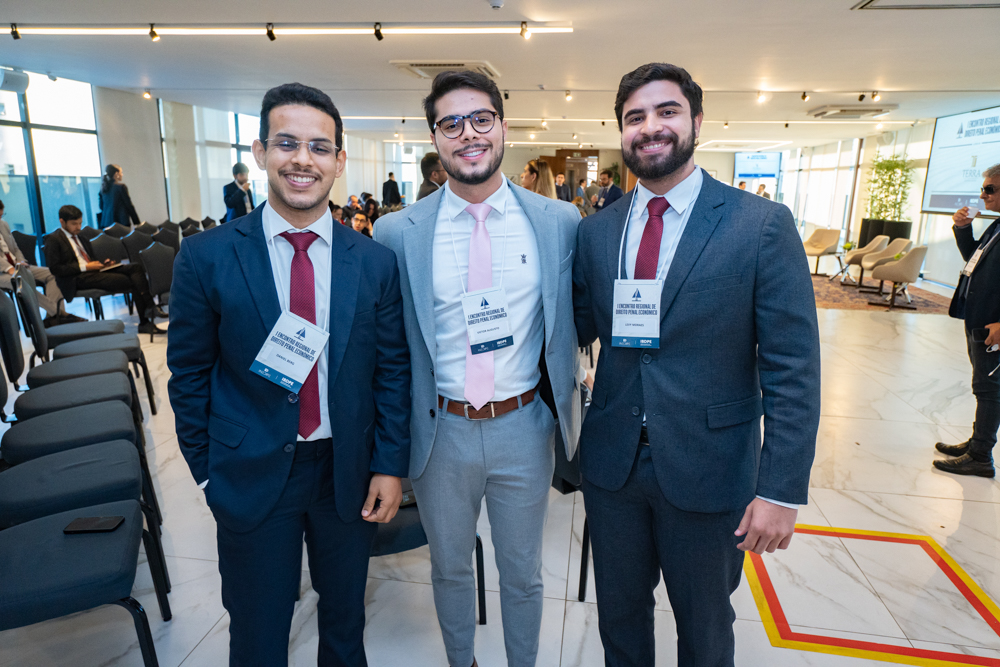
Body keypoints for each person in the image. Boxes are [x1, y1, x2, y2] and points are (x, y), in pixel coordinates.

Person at [572, 62, 820, 666]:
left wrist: (781, 489)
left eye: (667, 112)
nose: (650, 127)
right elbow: (574, 329)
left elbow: (793, 365)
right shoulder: (597, 232)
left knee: (705, 629)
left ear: (697, 122)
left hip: (711, 470)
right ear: (621, 133)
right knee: (620, 622)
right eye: (635, 118)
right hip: (614, 468)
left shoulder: (759, 225)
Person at [167, 82, 411, 667]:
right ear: (260, 151)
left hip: (346, 473)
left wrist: (388, 464)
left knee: (345, 623)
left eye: (319, 147)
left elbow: (393, 371)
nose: (303, 159)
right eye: (287, 143)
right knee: (258, 630)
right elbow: (189, 375)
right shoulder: (207, 257)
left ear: (339, 161)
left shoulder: (373, 261)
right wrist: (207, 474)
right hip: (249, 472)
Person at [374, 70, 582, 667]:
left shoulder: (557, 221)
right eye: (451, 123)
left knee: (523, 574)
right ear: (435, 139)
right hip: (441, 431)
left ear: (502, 127)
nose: (468, 134)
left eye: (481, 119)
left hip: (525, 427)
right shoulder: (396, 234)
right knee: (449, 569)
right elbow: (389, 346)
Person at [933, 164, 1000, 478]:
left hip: (993, 326)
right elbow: (973, 257)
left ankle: (980, 455)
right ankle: (977, 442)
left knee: (989, 389)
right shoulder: (997, 226)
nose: (983, 195)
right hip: (979, 318)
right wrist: (962, 229)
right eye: (984, 188)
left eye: (990, 189)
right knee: (983, 385)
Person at [44, 205, 165, 335]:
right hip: (75, 278)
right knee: (132, 280)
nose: (78, 227)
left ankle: (149, 311)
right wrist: (85, 267)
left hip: (93, 272)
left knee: (135, 268)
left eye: (80, 223)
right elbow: (55, 269)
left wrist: (103, 264)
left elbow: (91, 259)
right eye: (74, 224)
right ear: (62, 221)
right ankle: (147, 318)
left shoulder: (81, 238)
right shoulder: (54, 239)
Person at [0, 200, 83, 325]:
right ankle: (60, 314)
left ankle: (52, 318)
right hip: (2, 273)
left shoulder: (3, 224)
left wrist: (21, 261)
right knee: (21, 283)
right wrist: (8, 268)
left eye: (1, 215)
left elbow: (15, 248)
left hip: (17, 266)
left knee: (53, 273)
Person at [98, 164, 141, 228]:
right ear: (116, 174)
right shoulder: (121, 187)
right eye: (121, 172)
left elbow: (101, 207)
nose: (122, 175)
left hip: (106, 223)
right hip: (121, 223)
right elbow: (129, 206)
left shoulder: (103, 189)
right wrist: (137, 222)